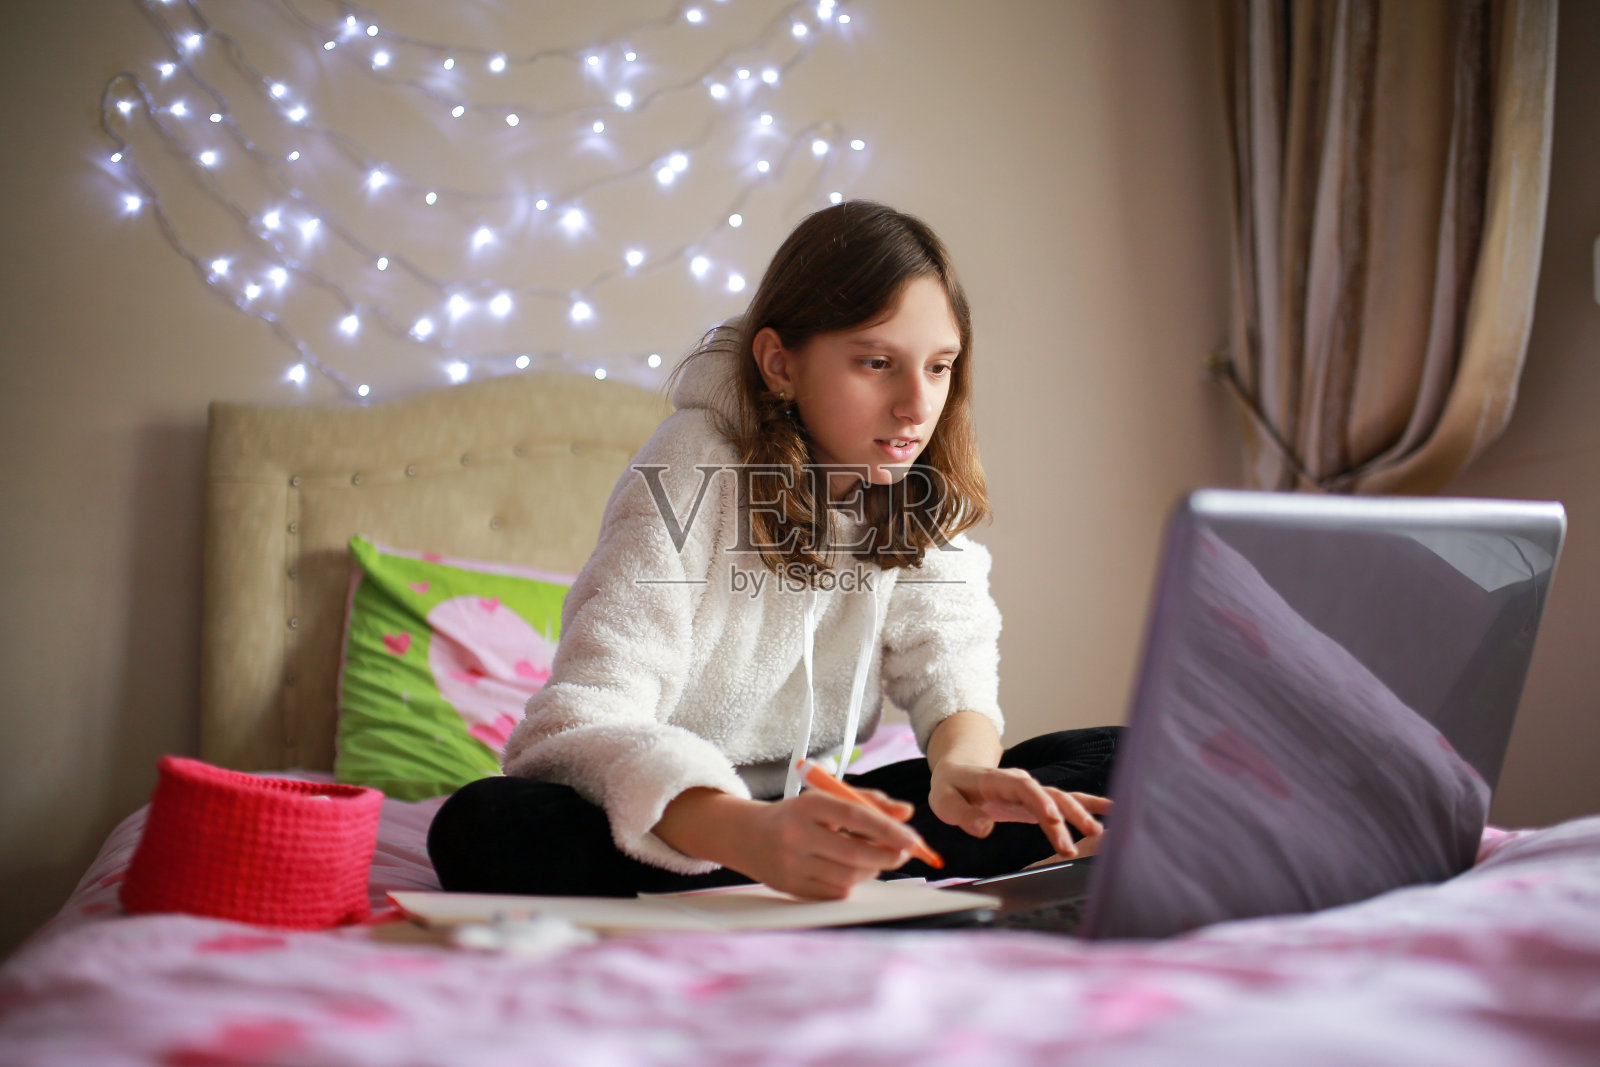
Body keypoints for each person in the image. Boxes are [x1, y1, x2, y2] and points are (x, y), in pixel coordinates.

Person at [428, 201, 1119, 900]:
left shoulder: (911, 484)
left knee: (1122, 759)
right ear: (779, 363)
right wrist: (746, 833)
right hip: (680, 819)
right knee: (481, 823)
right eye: (878, 362)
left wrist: (961, 770)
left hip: (816, 807)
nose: (917, 404)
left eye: (939, 367)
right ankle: (792, 861)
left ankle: (828, 857)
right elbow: (583, 716)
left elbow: (954, 667)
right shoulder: (688, 467)